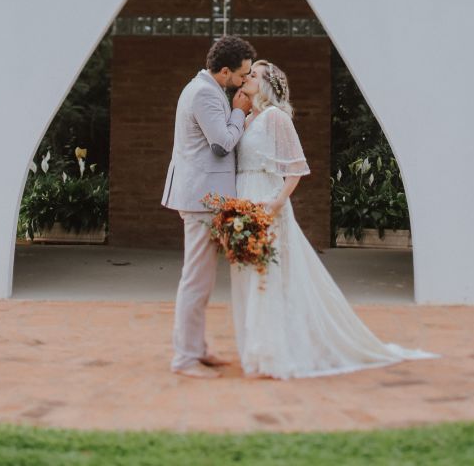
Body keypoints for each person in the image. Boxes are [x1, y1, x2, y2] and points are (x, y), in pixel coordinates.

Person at [230, 60, 437, 379]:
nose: (247, 78)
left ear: (268, 86)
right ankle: (257, 349)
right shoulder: (246, 119)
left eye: (253, 75)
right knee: (249, 275)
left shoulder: (275, 118)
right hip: (244, 199)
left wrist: (276, 203)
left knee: (268, 275)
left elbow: (295, 168)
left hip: (267, 202)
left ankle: (275, 353)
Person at [162, 34, 256, 379]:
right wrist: (239, 111)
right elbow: (223, 142)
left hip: (203, 195)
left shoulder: (206, 88)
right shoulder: (204, 93)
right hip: (202, 198)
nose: (245, 81)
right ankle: (184, 358)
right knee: (196, 280)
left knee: (202, 279)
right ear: (225, 71)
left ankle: (197, 349)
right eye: (242, 75)